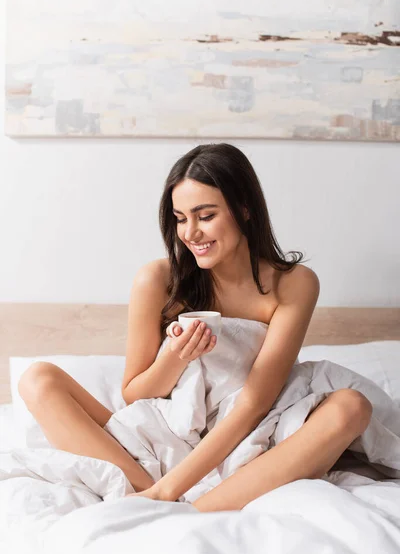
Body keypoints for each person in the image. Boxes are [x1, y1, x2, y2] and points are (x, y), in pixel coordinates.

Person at [18, 143, 372, 512]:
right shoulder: (156, 279)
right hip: (163, 435)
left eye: (205, 216)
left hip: (246, 440)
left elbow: (254, 404)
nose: (191, 233)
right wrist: (173, 356)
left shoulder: (294, 283)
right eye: (180, 218)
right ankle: (152, 495)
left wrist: (170, 490)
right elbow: (134, 394)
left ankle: (191, 509)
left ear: (245, 208)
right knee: (37, 378)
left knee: (351, 407)